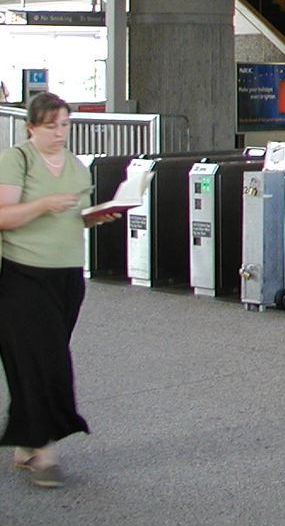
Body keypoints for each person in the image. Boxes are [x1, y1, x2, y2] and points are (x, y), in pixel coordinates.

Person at [0, 92, 121, 488]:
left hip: (67, 276)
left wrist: (96, 217)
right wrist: (43, 204)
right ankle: (45, 451)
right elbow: (3, 217)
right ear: (31, 126)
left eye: (65, 125)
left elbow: (72, 220)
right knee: (46, 361)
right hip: (22, 274)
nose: (59, 133)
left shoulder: (75, 167)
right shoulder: (16, 159)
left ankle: (25, 441)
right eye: (50, 126)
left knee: (38, 360)